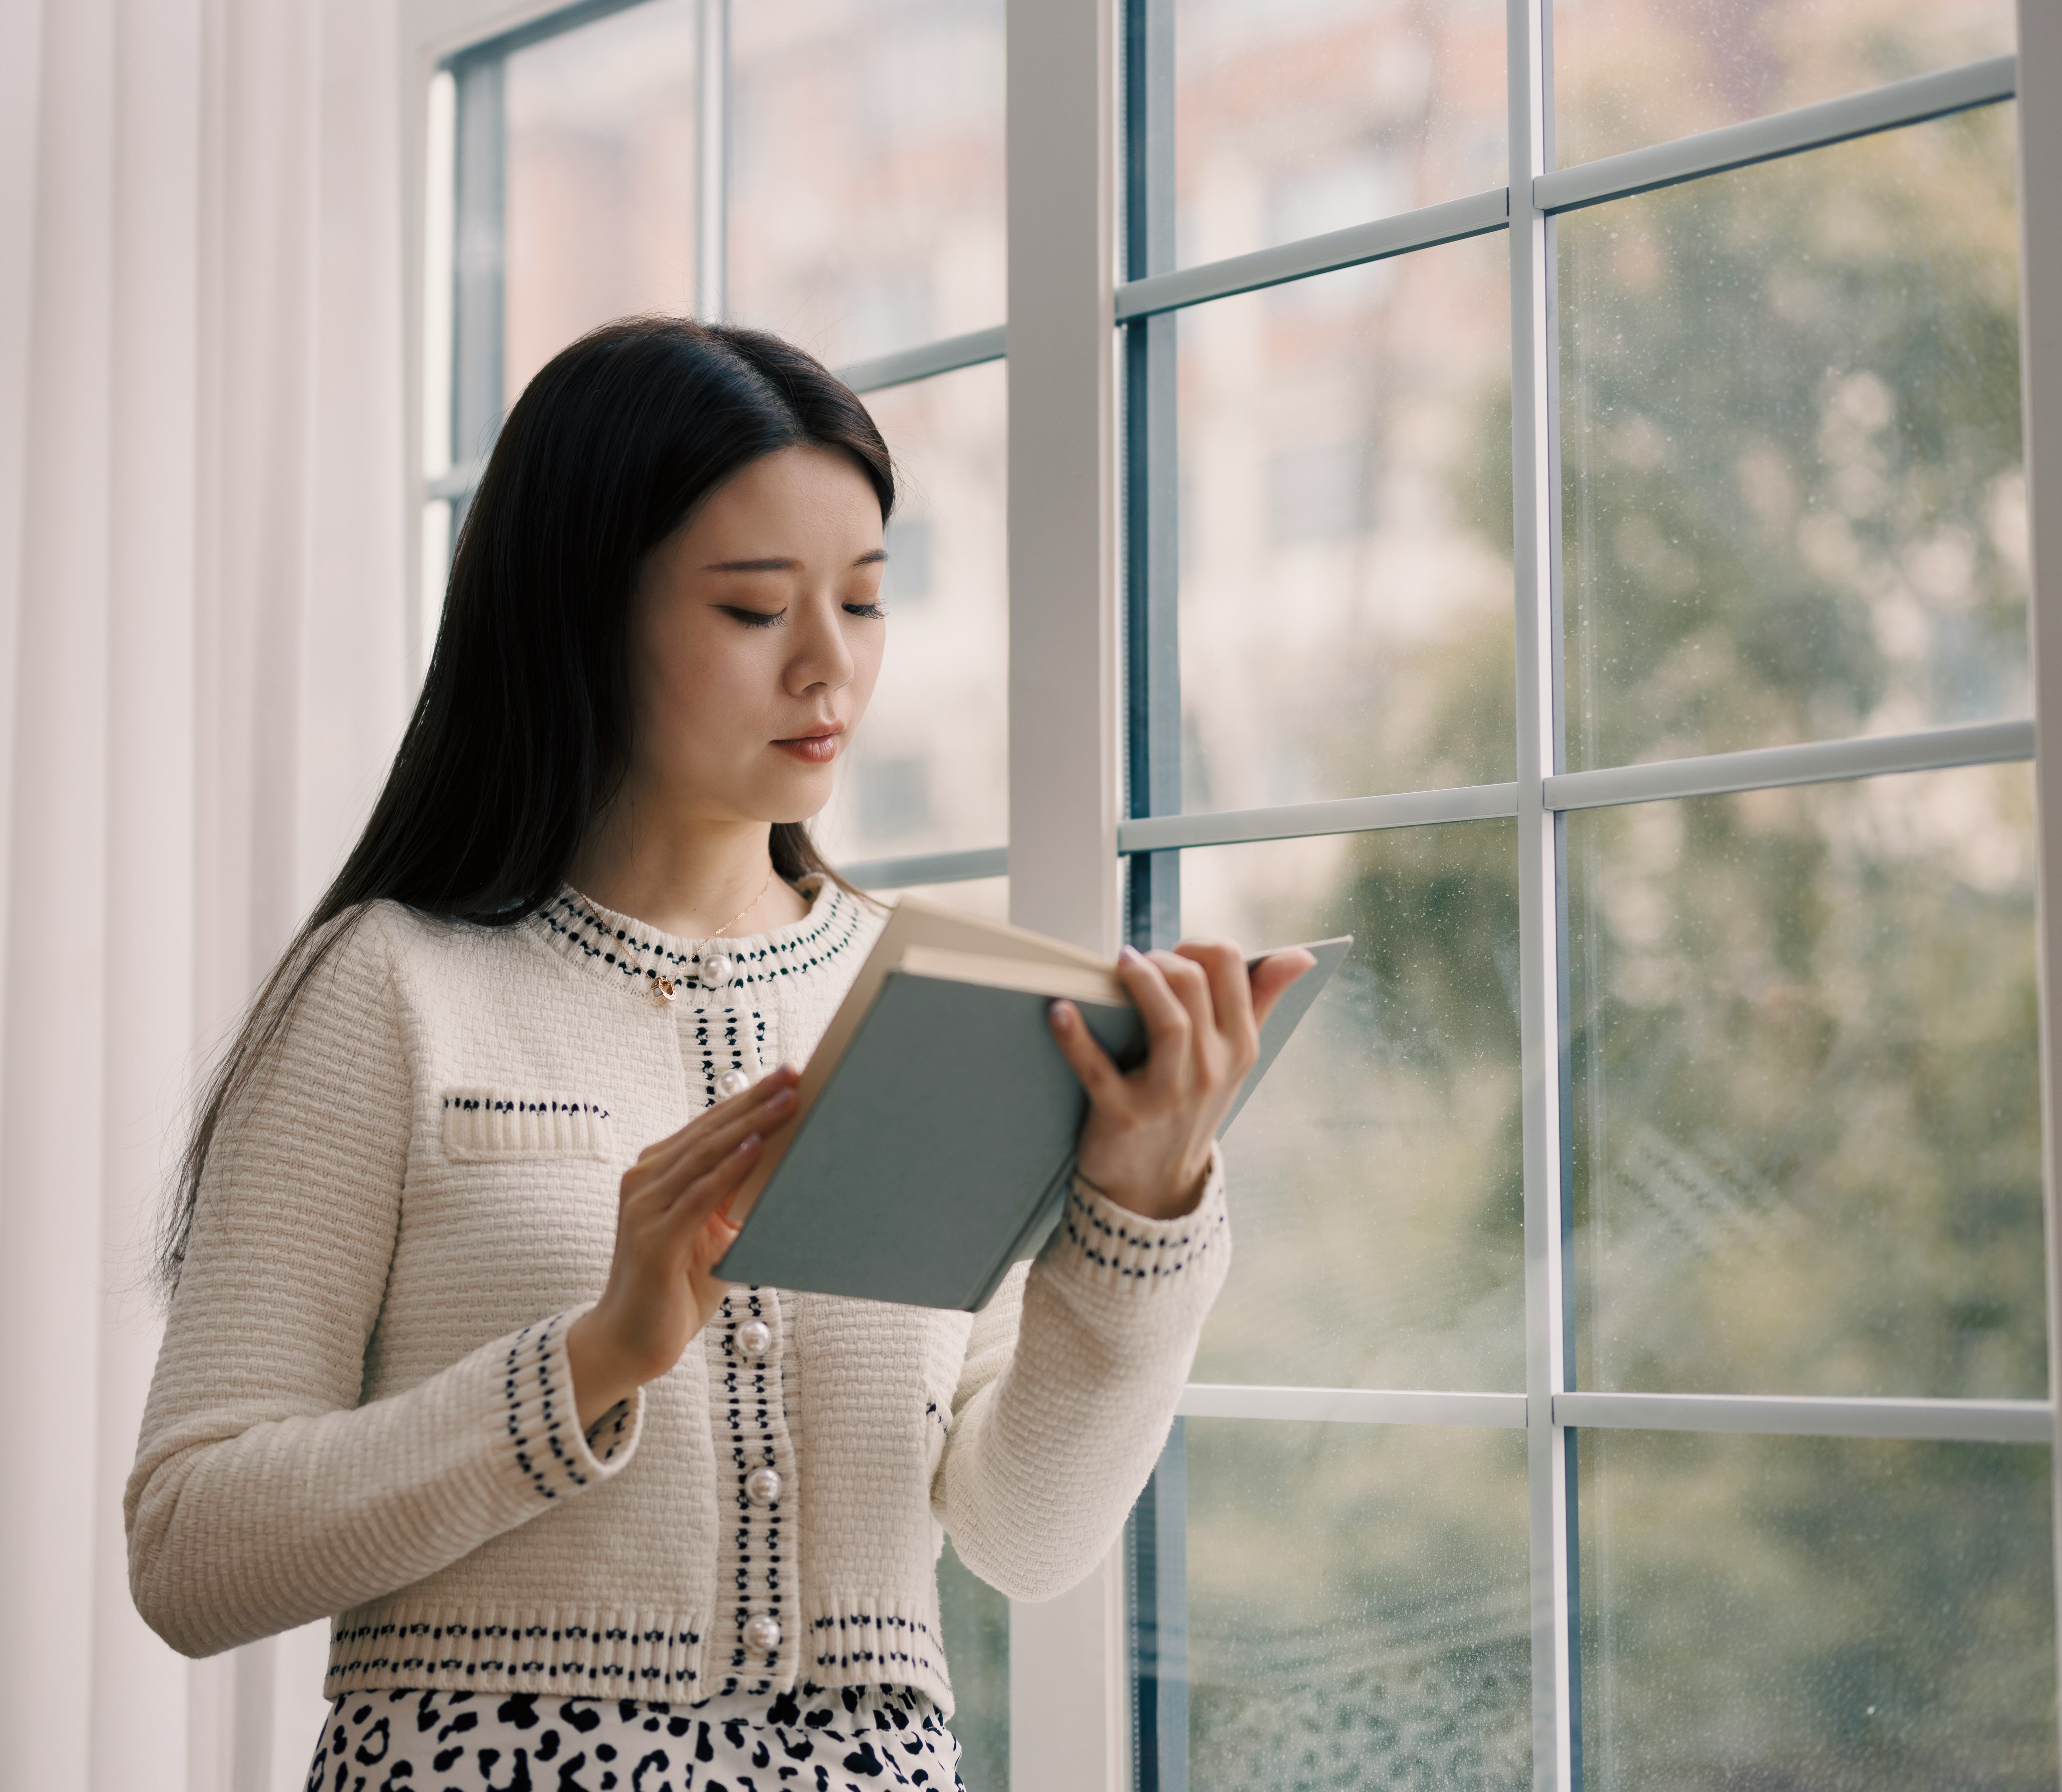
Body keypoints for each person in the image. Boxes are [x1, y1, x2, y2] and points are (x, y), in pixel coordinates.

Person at [126, 316, 1313, 1792]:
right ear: (581, 613)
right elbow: (187, 1549)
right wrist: (586, 1363)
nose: (829, 665)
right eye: (755, 608)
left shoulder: (939, 1002)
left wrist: (1137, 1220)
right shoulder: (391, 986)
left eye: (867, 600)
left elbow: (1027, 1531)